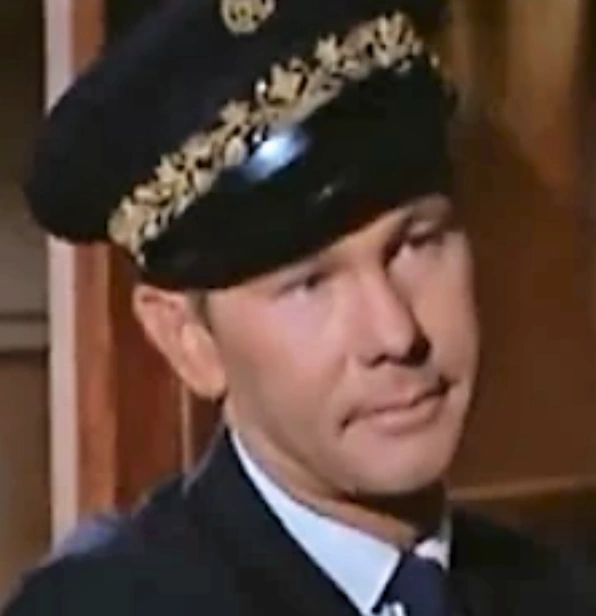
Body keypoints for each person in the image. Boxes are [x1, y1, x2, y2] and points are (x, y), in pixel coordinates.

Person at [3, 0, 595, 614]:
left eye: (415, 244)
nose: (395, 333)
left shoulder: (558, 592)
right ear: (188, 341)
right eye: (311, 283)